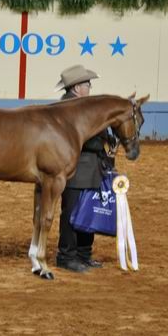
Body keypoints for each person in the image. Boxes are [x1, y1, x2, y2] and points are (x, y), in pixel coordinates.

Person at [55, 65, 115, 273]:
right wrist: (102, 143)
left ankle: (82, 253)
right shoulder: (68, 108)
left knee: (88, 211)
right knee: (71, 213)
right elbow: (81, 137)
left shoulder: (77, 105)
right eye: (88, 84)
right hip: (75, 168)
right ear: (78, 87)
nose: (90, 88)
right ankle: (66, 255)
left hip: (88, 167)